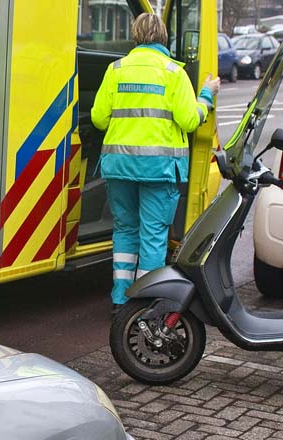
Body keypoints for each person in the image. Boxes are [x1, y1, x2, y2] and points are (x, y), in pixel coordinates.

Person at [91, 13, 220, 313]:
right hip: (158, 170)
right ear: (163, 37)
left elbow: (98, 119)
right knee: (152, 234)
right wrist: (206, 95)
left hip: (119, 166)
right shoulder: (174, 72)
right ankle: (145, 302)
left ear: (135, 36)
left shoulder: (116, 69)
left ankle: (120, 298)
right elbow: (189, 120)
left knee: (125, 231)